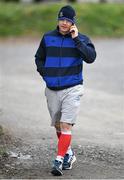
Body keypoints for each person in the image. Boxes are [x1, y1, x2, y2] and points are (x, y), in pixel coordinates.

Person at [35, 5, 96, 176]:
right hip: (52, 89)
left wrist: (77, 40)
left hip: (73, 88)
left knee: (65, 124)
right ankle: (69, 153)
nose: (64, 23)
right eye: (62, 19)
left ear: (73, 23)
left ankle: (59, 160)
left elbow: (91, 58)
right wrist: (45, 74)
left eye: (68, 20)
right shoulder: (47, 38)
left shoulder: (82, 39)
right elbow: (39, 57)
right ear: (58, 19)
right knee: (57, 125)